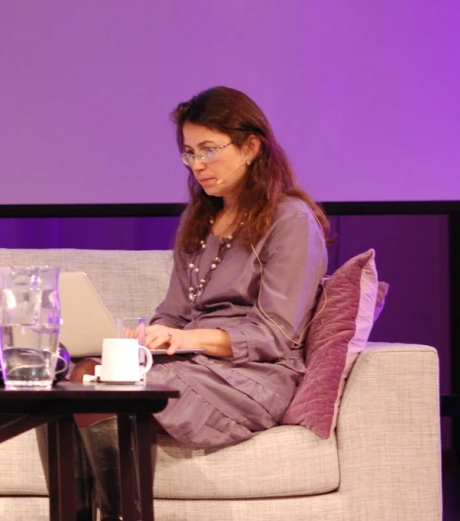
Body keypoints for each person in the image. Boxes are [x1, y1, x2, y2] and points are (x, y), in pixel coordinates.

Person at [40, 86, 330, 521]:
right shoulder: (200, 220)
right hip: (194, 362)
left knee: (105, 385)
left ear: (251, 147)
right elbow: (173, 312)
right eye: (190, 153)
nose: (197, 165)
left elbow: (275, 334)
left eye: (209, 150)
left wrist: (182, 337)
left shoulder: (291, 221)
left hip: (252, 376)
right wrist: (146, 336)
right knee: (76, 373)